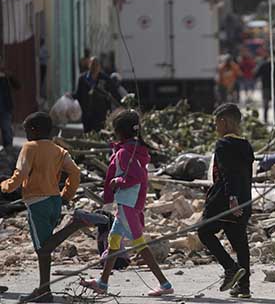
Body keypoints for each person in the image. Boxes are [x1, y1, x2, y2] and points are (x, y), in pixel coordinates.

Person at [80, 110, 174, 297]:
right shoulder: (135, 149)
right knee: (114, 240)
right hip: (129, 204)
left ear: (119, 131)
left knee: (140, 244)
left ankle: (165, 284)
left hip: (129, 206)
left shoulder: (124, 152)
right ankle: (103, 283)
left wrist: (118, 182)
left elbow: (137, 177)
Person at [0, 112, 90, 302]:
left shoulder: (29, 148)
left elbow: (21, 173)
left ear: (34, 130)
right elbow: (75, 173)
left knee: (42, 248)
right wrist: (67, 195)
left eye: (25, 131)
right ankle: (44, 290)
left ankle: (76, 223)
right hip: (55, 201)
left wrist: (5, 186)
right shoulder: (59, 150)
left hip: (36, 202)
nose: (25, 135)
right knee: (45, 249)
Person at [198, 104, 254, 299]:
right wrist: (240, 200)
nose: (216, 128)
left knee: (204, 231)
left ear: (223, 122)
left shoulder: (223, 145)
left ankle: (230, 268)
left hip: (224, 200)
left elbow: (228, 174)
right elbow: (245, 176)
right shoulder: (246, 145)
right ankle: (244, 287)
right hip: (245, 199)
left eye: (216, 124)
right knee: (239, 241)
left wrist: (232, 199)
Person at [71, 57, 120, 133]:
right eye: (92, 64)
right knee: (87, 134)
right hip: (87, 114)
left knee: (100, 134)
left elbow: (114, 93)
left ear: (99, 66)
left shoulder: (104, 79)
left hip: (101, 114)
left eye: (96, 65)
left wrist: (121, 104)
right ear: (89, 66)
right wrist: (70, 96)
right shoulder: (83, 79)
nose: (94, 67)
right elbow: (78, 94)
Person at [254, 53, 275, 123]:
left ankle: (265, 120)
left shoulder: (263, 66)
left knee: (265, 106)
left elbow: (255, 75)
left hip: (266, 88)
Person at [0, 58, 20, 149]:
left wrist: (10, 76)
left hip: (5, 108)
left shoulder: (7, 76)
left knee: (6, 130)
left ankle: (8, 151)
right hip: (5, 108)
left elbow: (18, 86)